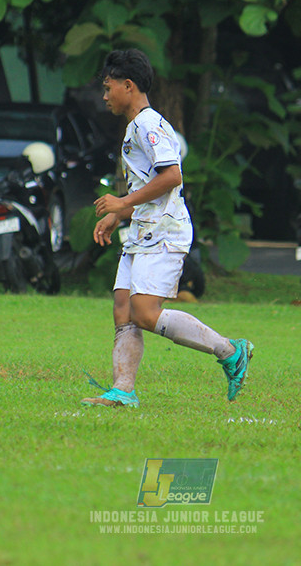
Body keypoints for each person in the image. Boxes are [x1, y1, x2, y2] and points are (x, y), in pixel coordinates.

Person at [81, 49, 253, 408]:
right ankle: (123, 391)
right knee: (123, 308)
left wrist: (122, 203)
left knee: (144, 313)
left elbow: (172, 176)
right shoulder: (136, 126)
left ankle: (230, 351)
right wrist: (120, 214)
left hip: (164, 232)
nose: (105, 95)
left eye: (108, 87)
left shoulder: (148, 125)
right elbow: (151, 186)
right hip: (144, 229)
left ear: (128, 86)